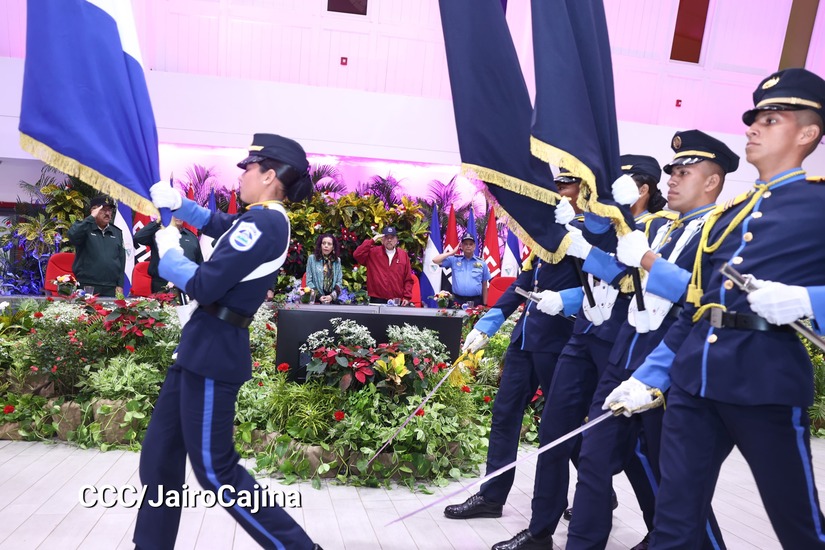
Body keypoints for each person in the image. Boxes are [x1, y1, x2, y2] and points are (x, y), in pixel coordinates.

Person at [608, 68, 825, 549]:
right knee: (674, 521)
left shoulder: (819, 203)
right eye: (754, 119)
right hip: (694, 383)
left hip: (765, 383)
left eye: (770, 120)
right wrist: (652, 374)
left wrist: (808, 300)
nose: (752, 127)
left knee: (798, 524)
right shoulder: (727, 217)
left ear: (807, 133)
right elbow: (696, 308)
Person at [134, 133, 323, 550]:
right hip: (200, 346)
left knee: (216, 470)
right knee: (160, 455)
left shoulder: (267, 222)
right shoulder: (258, 218)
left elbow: (204, 283)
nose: (242, 178)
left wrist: (168, 252)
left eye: (249, 170)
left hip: (214, 352)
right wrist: (180, 206)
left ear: (269, 175)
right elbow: (219, 224)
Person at [566, 138, 737, 550]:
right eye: (671, 173)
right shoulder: (658, 227)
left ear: (712, 180)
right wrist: (581, 245)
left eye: (683, 173)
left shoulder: (723, 231)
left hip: (673, 363)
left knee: (676, 484)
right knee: (593, 459)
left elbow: (702, 294)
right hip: (625, 353)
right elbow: (623, 278)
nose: (672, 181)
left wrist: (646, 260)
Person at [491, 164, 665, 550]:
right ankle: (540, 532)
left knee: (630, 445)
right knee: (554, 434)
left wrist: (586, 239)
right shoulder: (596, 222)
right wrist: (581, 231)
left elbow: (626, 273)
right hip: (584, 333)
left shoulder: (656, 227)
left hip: (622, 339)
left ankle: (660, 528)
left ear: (641, 189)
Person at [443, 173, 581, 521]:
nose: (557, 194)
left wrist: (564, 299)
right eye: (555, 188)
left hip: (559, 341)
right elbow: (522, 284)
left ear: (583, 191)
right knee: (505, 416)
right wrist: (486, 326)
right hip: (525, 339)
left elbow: (605, 287)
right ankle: (492, 496)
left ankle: (596, 491)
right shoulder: (543, 234)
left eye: (565, 187)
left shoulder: (588, 233)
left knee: (562, 426)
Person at [66, 195, 125, 297]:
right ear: (94, 211)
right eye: (103, 210)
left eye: (109, 210)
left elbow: (121, 258)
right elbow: (73, 236)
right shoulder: (84, 227)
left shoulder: (116, 232)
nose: (107, 213)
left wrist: (120, 284)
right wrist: (91, 218)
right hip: (87, 285)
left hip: (110, 287)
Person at [134, 217, 203, 294]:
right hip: (162, 286)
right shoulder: (158, 233)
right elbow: (138, 237)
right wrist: (159, 221)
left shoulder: (192, 237)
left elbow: (199, 264)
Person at [353, 226, 414, 305]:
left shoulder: (403, 255)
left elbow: (408, 278)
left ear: (396, 240)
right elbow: (357, 254)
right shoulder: (373, 252)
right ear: (382, 239)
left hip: (396, 300)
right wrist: (372, 240)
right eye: (386, 237)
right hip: (376, 300)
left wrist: (407, 296)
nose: (389, 240)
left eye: (392, 237)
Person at [432, 232, 491, 306]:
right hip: (457, 301)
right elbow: (435, 260)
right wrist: (452, 252)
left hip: (475, 301)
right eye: (465, 244)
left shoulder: (482, 263)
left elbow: (485, 285)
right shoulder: (454, 260)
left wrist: (485, 304)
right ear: (461, 246)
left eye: (470, 244)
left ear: (474, 246)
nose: (468, 246)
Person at [305, 233, 343, 304]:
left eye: (329, 244)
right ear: (320, 245)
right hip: (316, 300)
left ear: (333, 247)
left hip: (332, 300)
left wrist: (331, 296)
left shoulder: (337, 261)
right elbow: (309, 281)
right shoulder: (312, 259)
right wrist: (318, 296)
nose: (326, 246)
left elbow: (339, 282)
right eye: (324, 243)